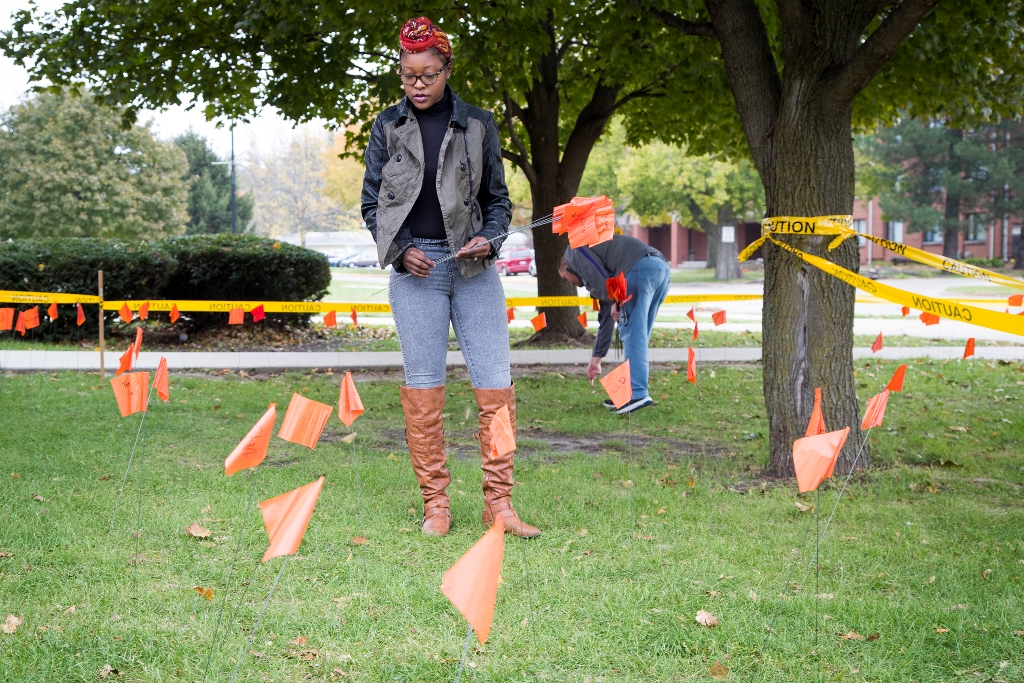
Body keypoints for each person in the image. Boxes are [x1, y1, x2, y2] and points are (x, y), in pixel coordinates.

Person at [361, 17, 539, 539]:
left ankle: (499, 504)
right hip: (417, 272)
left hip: (473, 268)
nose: (417, 85)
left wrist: (490, 238)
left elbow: (498, 201)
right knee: (423, 390)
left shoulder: (479, 124)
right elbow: (372, 204)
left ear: (447, 70)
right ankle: (435, 505)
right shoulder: (386, 127)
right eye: (408, 75)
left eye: (428, 75)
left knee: (496, 387)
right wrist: (401, 251)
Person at [559, 234, 671, 414]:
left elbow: (597, 274)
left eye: (565, 279)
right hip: (660, 268)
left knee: (632, 333)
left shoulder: (574, 251)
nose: (571, 285)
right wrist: (596, 358)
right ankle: (628, 393)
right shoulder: (604, 271)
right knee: (638, 334)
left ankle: (637, 394)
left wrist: (615, 300)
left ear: (565, 265)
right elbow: (606, 317)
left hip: (637, 269)